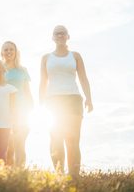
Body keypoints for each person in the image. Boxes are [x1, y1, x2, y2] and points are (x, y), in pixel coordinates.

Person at [39, 25, 93, 176]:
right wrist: (40, 103)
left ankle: (74, 176)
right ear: (53, 38)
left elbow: (83, 77)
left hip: (73, 99)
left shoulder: (75, 55)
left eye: (63, 33)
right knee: (56, 139)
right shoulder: (46, 58)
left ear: (68, 36)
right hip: (52, 100)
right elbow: (43, 82)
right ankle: (59, 175)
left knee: (72, 139)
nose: (60, 36)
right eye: (57, 33)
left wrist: (89, 99)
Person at [0, 41, 33, 168]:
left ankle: (20, 175)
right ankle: (8, 176)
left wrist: (32, 111)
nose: (9, 52)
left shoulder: (23, 71)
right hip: (4, 111)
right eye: (6, 50)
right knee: (8, 146)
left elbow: (28, 92)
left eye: (11, 49)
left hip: (22, 111)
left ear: (16, 52)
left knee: (20, 144)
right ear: (2, 53)